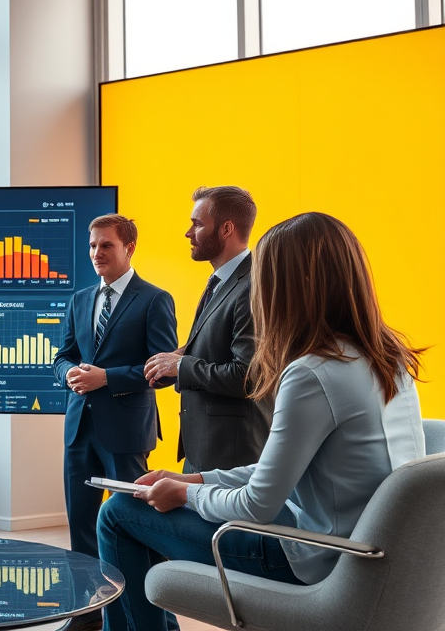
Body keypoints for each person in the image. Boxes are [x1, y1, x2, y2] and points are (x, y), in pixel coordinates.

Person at [98, 212, 425, 631]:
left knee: (120, 511)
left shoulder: (312, 373)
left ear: (285, 288)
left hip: (316, 557)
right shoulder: (388, 358)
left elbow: (256, 504)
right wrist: (197, 481)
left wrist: (183, 497)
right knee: (137, 505)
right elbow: (281, 469)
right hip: (363, 548)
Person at [53, 215, 177, 563]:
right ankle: (90, 613)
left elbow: (163, 371)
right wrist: (69, 374)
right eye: (92, 245)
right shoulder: (80, 299)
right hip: (78, 429)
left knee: (135, 524)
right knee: (81, 527)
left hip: (126, 430)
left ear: (129, 248)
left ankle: (147, 612)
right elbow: (63, 357)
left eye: (106, 244)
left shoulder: (154, 299)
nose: (96, 252)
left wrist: (106, 378)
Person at [144, 186, 271, 472]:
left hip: (230, 458)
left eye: (197, 224)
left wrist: (182, 366)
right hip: (204, 450)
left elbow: (248, 376)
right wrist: (176, 360)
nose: (188, 233)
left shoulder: (252, 287)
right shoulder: (220, 281)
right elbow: (218, 348)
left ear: (227, 229)